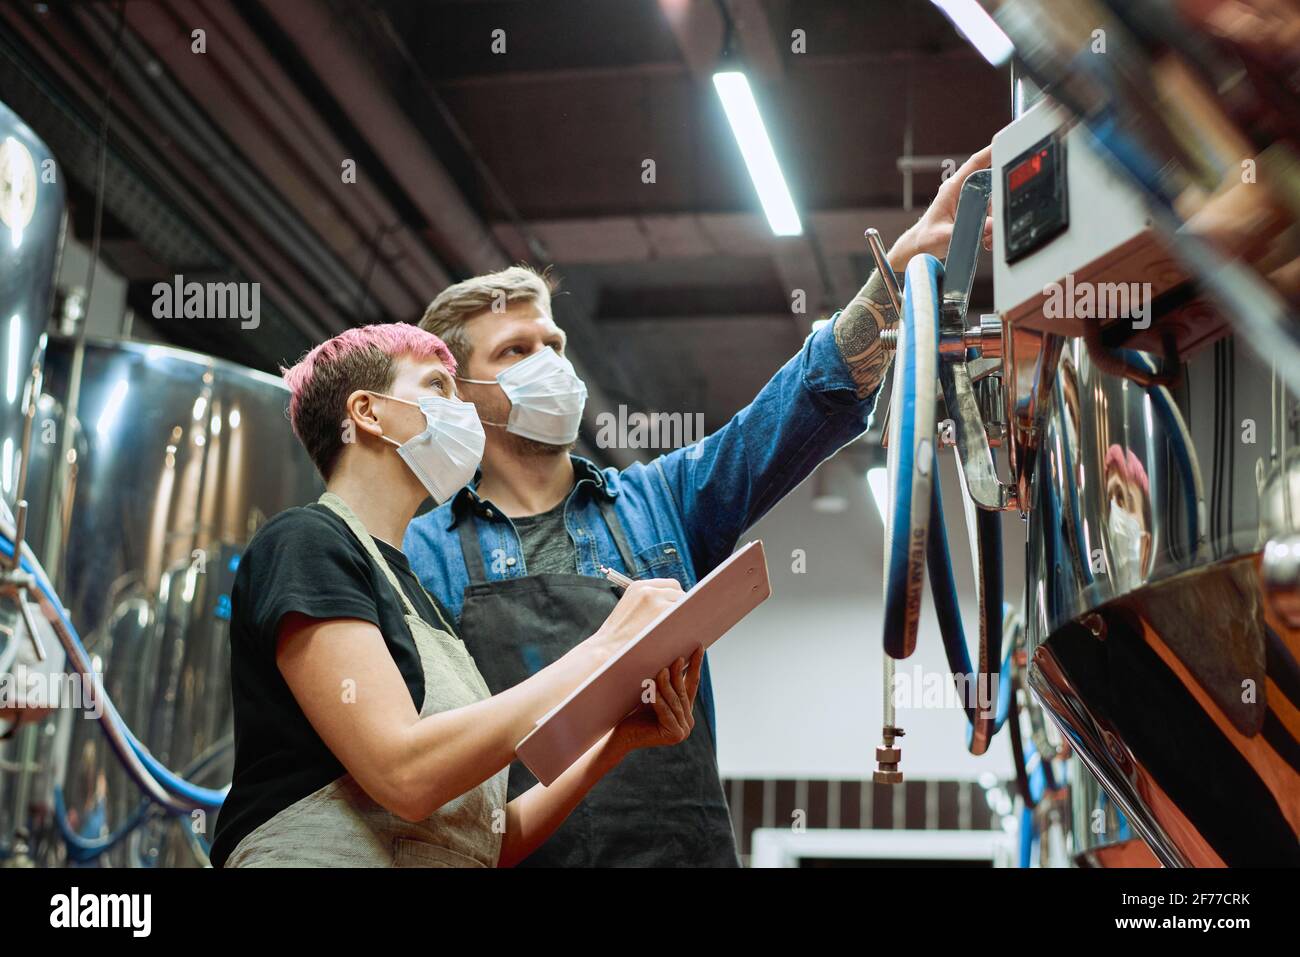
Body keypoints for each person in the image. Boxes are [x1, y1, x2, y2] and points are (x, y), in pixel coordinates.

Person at [403, 149, 996, 866]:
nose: (550, 362)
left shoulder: (662, 501)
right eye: (516, 350)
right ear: (458, 390)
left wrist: (897, 270)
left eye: (554, 342)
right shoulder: (420, 555)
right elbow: (425, 769)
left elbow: (802, 399)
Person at [210, 323, 702, 868]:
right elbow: (405, 773)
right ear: (368, 414)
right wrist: (607, 648)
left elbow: (493, 837)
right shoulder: (306, 542)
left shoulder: (424, 602)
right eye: (438, 387)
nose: (461, 407)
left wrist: (616, 738)